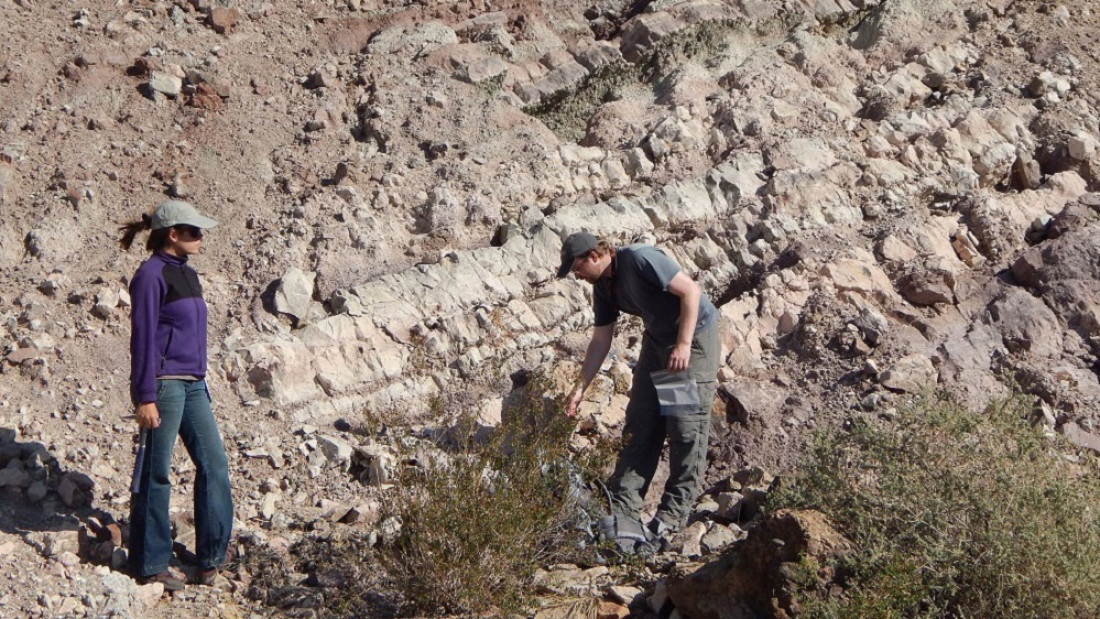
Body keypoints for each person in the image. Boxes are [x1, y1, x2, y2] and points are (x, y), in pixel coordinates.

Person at [558, 232, 720, 553]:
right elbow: (601, 341)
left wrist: (683, 345)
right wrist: (578, 390)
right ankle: (623, 506)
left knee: (684, 426)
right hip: (658, 342)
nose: (575, 275)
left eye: (575, 267)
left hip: (690, 340)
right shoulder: (604, 286)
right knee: (642, 420)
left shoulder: (637, 259)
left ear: (593, 255)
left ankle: (671, 519)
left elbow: (690, 291)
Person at [118, 200, 233, 590]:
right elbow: (143, 337)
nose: (201, 237)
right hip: (164, 386)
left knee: (215, 465)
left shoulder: (188, 274)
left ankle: (212, 556)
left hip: (194, 384)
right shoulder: (150, 276)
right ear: (173, 234)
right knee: (157, 473)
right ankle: (150, 563)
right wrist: (144, 396)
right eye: (194, 231)